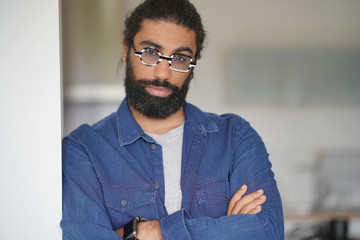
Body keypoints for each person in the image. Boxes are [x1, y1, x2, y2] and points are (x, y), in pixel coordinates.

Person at [61, 0, 284, 239]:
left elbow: (267, 231)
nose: (163, 73)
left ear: (194, 61)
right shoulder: (83, 149)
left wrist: (148, 232)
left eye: (179, 58)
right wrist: (226, 228)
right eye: (150, 52)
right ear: (126, 48)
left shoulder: (236, 137)